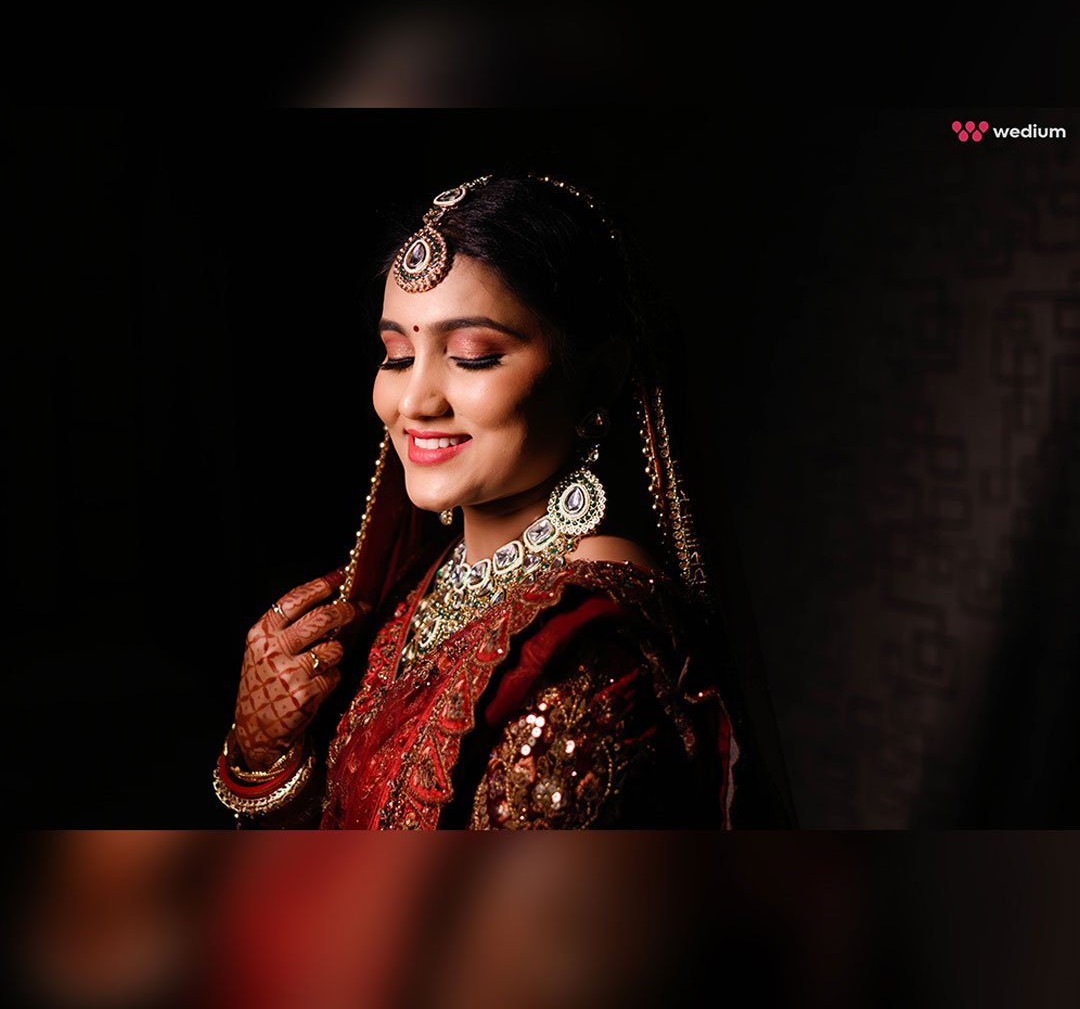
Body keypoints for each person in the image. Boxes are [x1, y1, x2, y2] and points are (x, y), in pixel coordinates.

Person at [212, 172, 798, 829]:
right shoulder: (411, 589)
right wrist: (262, 751)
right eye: (397, 355)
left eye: (472, 356)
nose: (415, 402)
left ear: (598, 376)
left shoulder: (594, 654)